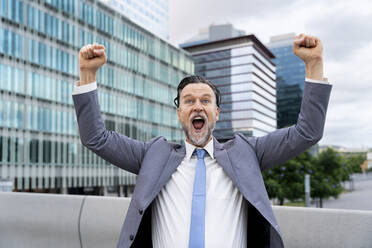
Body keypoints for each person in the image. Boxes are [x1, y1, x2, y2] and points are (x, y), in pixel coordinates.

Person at [72, 34, 332, 248]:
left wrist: (314, 65)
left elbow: (306, 132)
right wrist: (87, 75)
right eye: (189, 101)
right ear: (179, 113)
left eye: (205, 101)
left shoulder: (248, 151)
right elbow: (96, 138)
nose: (197, 106)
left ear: (216, 113)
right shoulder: (152, 154)